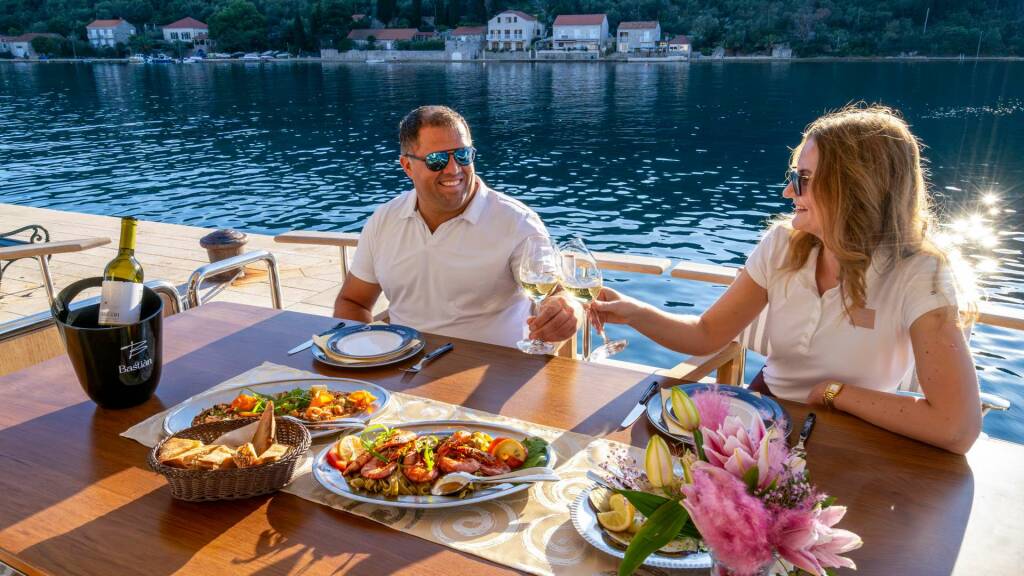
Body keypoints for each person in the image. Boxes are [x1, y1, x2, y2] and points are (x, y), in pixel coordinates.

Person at [591, 105, 982, 454]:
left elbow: (957, 427)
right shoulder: (782, 244)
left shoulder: (918, 273)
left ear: (854, 187)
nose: (787, 191)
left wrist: (835, 394)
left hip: (859, 439)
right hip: (763, 421)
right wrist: (634, 312)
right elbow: (707, 334)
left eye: (804, 179)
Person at [334, 105, 579, 348]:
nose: (453, 169)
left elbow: (557, 294)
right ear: (407, 166)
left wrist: (567, 310)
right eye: (437, 160)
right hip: (406, 366)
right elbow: (353, 302)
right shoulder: (385, 220)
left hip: (495, 369)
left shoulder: (516, 221)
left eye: (463, 155)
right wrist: (362, 355)